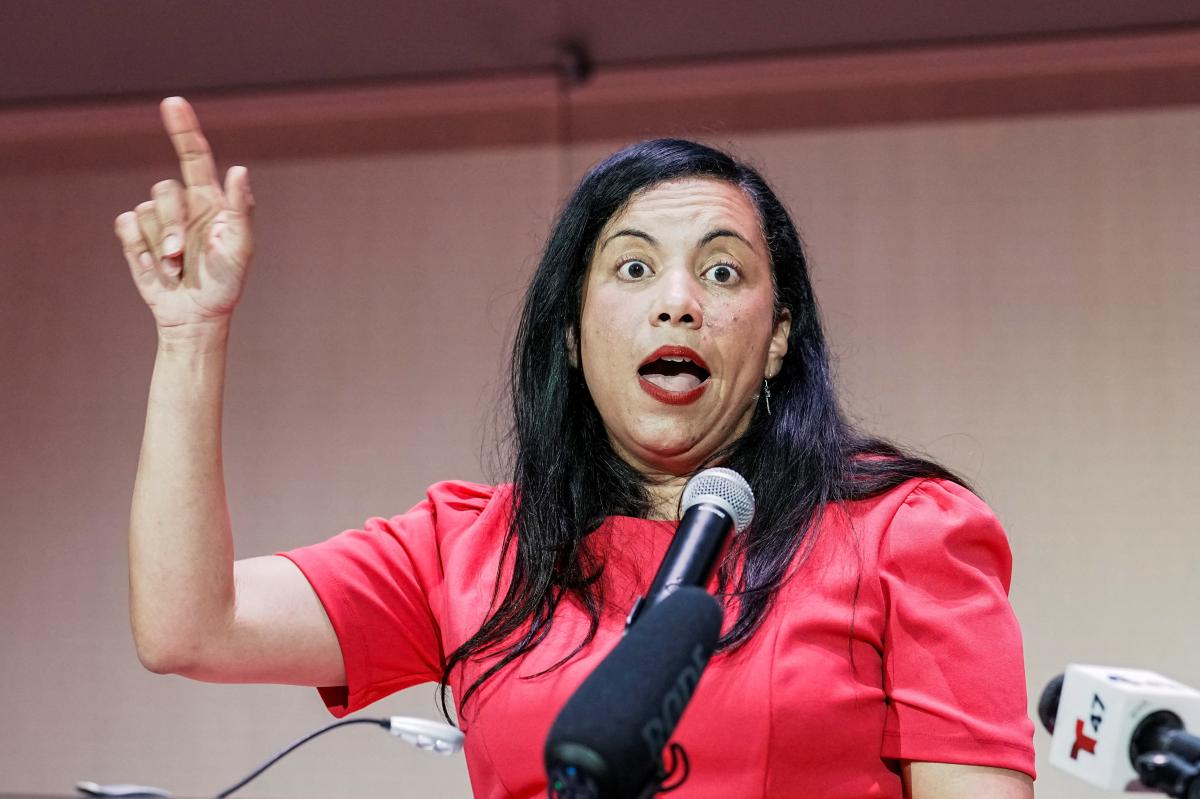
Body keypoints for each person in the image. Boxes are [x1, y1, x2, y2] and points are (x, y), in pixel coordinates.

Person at [116, 97, 1036, 798]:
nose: (678, 302)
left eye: (722, 271)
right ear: (572, 333)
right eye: (633, 268)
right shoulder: (472, 550)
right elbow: (189, 624)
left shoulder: (905, 533)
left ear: (778, 336)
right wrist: (193, 334)